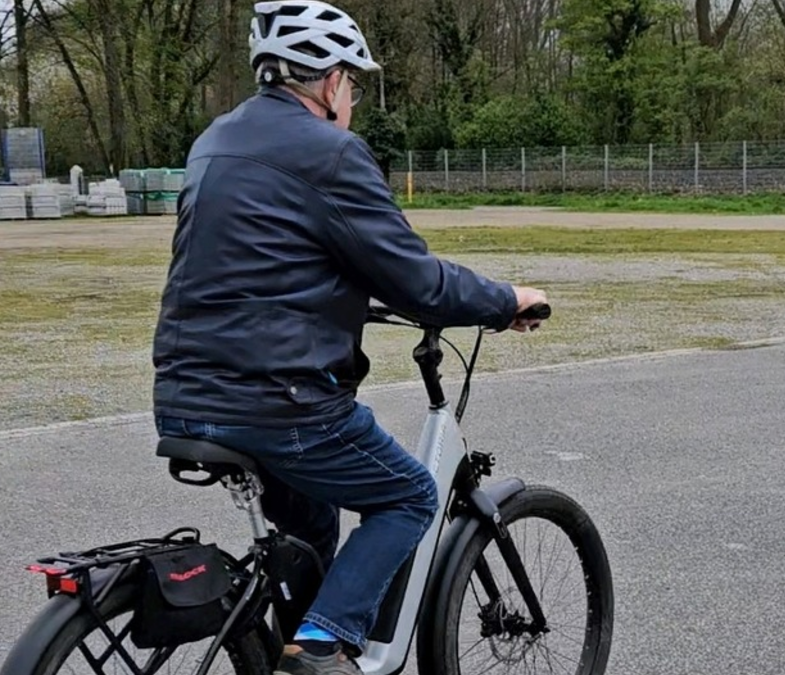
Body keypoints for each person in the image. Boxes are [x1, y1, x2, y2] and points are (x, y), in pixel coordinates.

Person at [150, 1, 548, 672]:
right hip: (279, 402)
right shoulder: (331, 151)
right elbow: (417, 281)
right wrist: (504, 299)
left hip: (183, 393)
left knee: (309, 526)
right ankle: (318, 646)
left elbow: (257, 262)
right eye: (354, 83)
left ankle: (289, 641)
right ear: (331, 82)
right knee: (410, 493)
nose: (354, 97)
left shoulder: (214, 139)